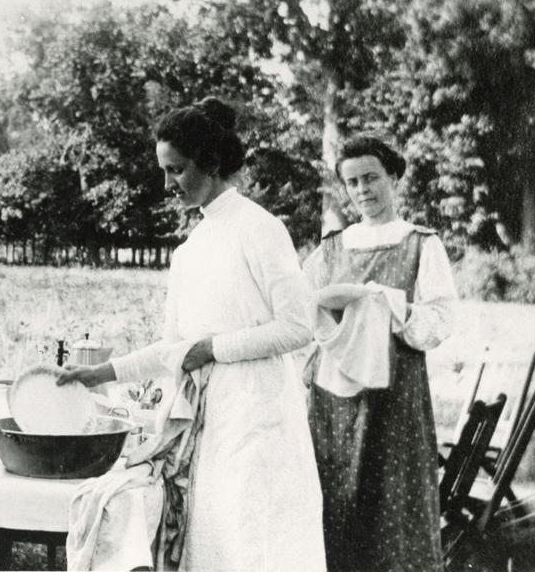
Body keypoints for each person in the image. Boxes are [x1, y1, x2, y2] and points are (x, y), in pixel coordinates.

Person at [60, 97, 327, 571]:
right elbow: (173, 347)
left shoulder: (260, 228)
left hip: (259, 415)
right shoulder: (190, 249)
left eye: (177, 170)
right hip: (206, 418)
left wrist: (212, 348)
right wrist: (99, 373)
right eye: (164, 171)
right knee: (210, 544)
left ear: (212, 162)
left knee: (255, 544)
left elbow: (298, 326)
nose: (168, 185)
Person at [303, 135, 457, 571]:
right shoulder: (332, 247)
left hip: (396, 395)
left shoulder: (421, 243)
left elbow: (441, 321)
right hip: (334, 398)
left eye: (371, 178)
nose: (362, 190)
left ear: (393, 177)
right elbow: (301, 309)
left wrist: (388, 305)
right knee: (335, 497)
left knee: (393, 502)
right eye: (352, 182)